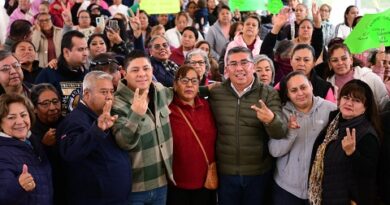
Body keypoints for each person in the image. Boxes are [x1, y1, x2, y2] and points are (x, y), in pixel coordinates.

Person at [203, 46, 287, 205]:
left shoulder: (269, 93)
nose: (239, 68)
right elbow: (188, 93)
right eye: (233, 64)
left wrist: (271, 120)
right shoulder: (217, 92)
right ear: (226, 68)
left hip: (258, 173)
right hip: (225, 172)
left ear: (253, 66)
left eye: (244, 62)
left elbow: (280, 132)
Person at [56, 71, 132, 204]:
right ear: (86, 94)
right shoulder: (74, 121)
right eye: (103, 92)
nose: (109, 97)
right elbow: (70, 153)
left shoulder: (105, 115)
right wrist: (97, 130)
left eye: (111, 92)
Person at [112, 51, 174, 205]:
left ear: (152, 70)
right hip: (135, 188)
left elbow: (182, 92)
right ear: (124, 73)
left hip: (162, 182)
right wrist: (136, 115)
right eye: (135, 70)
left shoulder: (159, 90)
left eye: (146, 68)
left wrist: (210, 89)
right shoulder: (116, 103)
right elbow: (123, 142)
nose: (142, 74)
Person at [308, 79, 381, 205]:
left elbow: (369, 173)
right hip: (324, 195)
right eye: (346, 97)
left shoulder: (367, 134)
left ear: (365, 108)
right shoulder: (334, 121)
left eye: (356, 100)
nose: (349, 103)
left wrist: (352, 153)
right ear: (339, 100)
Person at [269, 71, 337, 204]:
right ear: (287, 94)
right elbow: (274, 151)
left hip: (319, 188)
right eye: (293, 90)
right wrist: (290, 132)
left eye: (303, 87)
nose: (300, 93)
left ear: (311, 86)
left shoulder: (331, 110)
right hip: (286, 188)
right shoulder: (281, 114)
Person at [167, 65, 217, 205]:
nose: (189, 84)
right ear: (175, 85)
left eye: (194, 81)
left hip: (207, 182)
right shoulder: (167, 108)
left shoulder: (207, 106)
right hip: (177, 185)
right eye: (184, 80)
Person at [0, 93, 53, 205]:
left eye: (23, 115)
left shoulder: (32, 141)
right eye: (11, 117)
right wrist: (18, 186)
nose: (20, 122)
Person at [35, 30, 89, 114]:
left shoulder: (88, 76)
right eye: (80, 49)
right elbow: (36, 105)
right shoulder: (48, 74)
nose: (85, 53)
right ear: (66, 52)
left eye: (86, 49)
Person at [30, 83, 65, 205]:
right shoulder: (28, 131)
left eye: (56, 101)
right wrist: (43, 145)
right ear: (34, 108)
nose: (52, 107)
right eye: (45, 104)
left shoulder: (68, 123)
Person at [327, 43, 389, 110]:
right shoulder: (327, 85)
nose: (340, 63)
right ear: (330, 64)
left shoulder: (370, 77)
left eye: (344, 58)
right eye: (335, 60)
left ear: (351, 60)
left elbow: (384, 105)